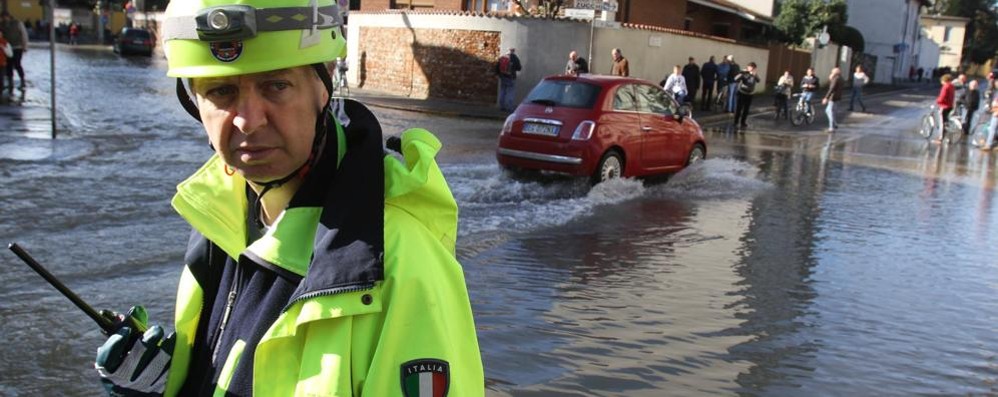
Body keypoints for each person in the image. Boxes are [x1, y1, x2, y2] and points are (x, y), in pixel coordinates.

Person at [92, 0, 485, 394]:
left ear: (326, 80)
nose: (248, 119)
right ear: (194, 101)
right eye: (221, 91)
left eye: (275, 86)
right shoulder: (220, 227)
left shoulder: (399, 266)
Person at [1, 11, 27, 93]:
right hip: (8, 48)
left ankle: (22, 80)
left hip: (17, 47)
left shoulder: (17, 23)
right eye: (3, 17)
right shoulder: (2, 25)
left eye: (5, 17)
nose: (4, 18)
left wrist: (25, 45)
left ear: (9, 16)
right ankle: (10, 82)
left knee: (17, 63)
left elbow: (23, 34)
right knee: (9, 65)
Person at [732, 61, 759, 129]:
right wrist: (742, 73)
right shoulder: (744, 73)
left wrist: (754, 75)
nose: (752, 69)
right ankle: (736, 122)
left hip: (750, 94)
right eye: (750, 67)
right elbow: (735, 79)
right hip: (742, 93)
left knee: (746, 109)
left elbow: (758, 80)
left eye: (753, 68)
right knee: (739, 108)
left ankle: (743, 122)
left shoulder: (754, 74)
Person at [496, 47, 522, 112]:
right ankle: (510, 107)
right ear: (513, 51)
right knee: (510, 92)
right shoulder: (515, 58)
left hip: (503, 77)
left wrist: (499, 75)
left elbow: (497, 67)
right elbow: (519, 68)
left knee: (503, 91)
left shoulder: (503, 57)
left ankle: (502, 106)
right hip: (511, 77)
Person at [934, 73, 956, 143]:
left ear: (944, 80)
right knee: (946, 121)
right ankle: (947, 136)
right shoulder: (952, 86)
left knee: (942, 122)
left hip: (944, 106)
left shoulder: (945, 86)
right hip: (950, 105)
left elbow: (942, 97)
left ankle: (940, 138)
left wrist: (937, 100)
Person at [822, 67, 843, 133]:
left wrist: (826, 98)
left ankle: (831, 127)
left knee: (829, 111)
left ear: (835, 73)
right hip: (838, 97)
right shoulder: (841, 78)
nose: (831, 73)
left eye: (832, 72)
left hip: (833, 97)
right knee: (831, 111)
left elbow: (831, 89)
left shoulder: (835, 79)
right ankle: (835, 123)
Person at [0, 30, 11, 96]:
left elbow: (10, 54)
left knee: (1, 79)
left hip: (2, 64)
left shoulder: (5, 43)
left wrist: (3, 48)